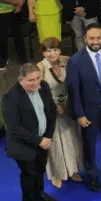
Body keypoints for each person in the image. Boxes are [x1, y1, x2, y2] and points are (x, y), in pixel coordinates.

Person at [66, 24, 101, 192]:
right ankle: (92, 175)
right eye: (92, 38)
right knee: (89, 144)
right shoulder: (76, 61)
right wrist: (79, 114)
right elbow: (73, 91)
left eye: (99, 38)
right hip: (89, 112)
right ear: (85, 39)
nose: (96, 42)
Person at [1, 63, 58, 201]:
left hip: (43, 141)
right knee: (29, 175)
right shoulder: (10, 98)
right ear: (21, 80)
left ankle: (39, 195)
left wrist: (47, 137)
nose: (35, 83)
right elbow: (15, 128)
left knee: (39, 171)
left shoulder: (44, 87)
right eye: (30, 80)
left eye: (37, 78)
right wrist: (39, 141)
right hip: (23, 145)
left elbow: (52, 112)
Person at [35, 38, 83, 189]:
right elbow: (38, 93)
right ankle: (56, 174)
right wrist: (54, 107)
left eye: (55, 49)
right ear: (43, 52)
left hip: (68, 107)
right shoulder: (40, 67)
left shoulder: (68, 61)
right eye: (48, 50)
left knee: (73, 139)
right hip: (50, 109)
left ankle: (73, 170)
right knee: (55, 143)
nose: (52, 53)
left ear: (60, 50)